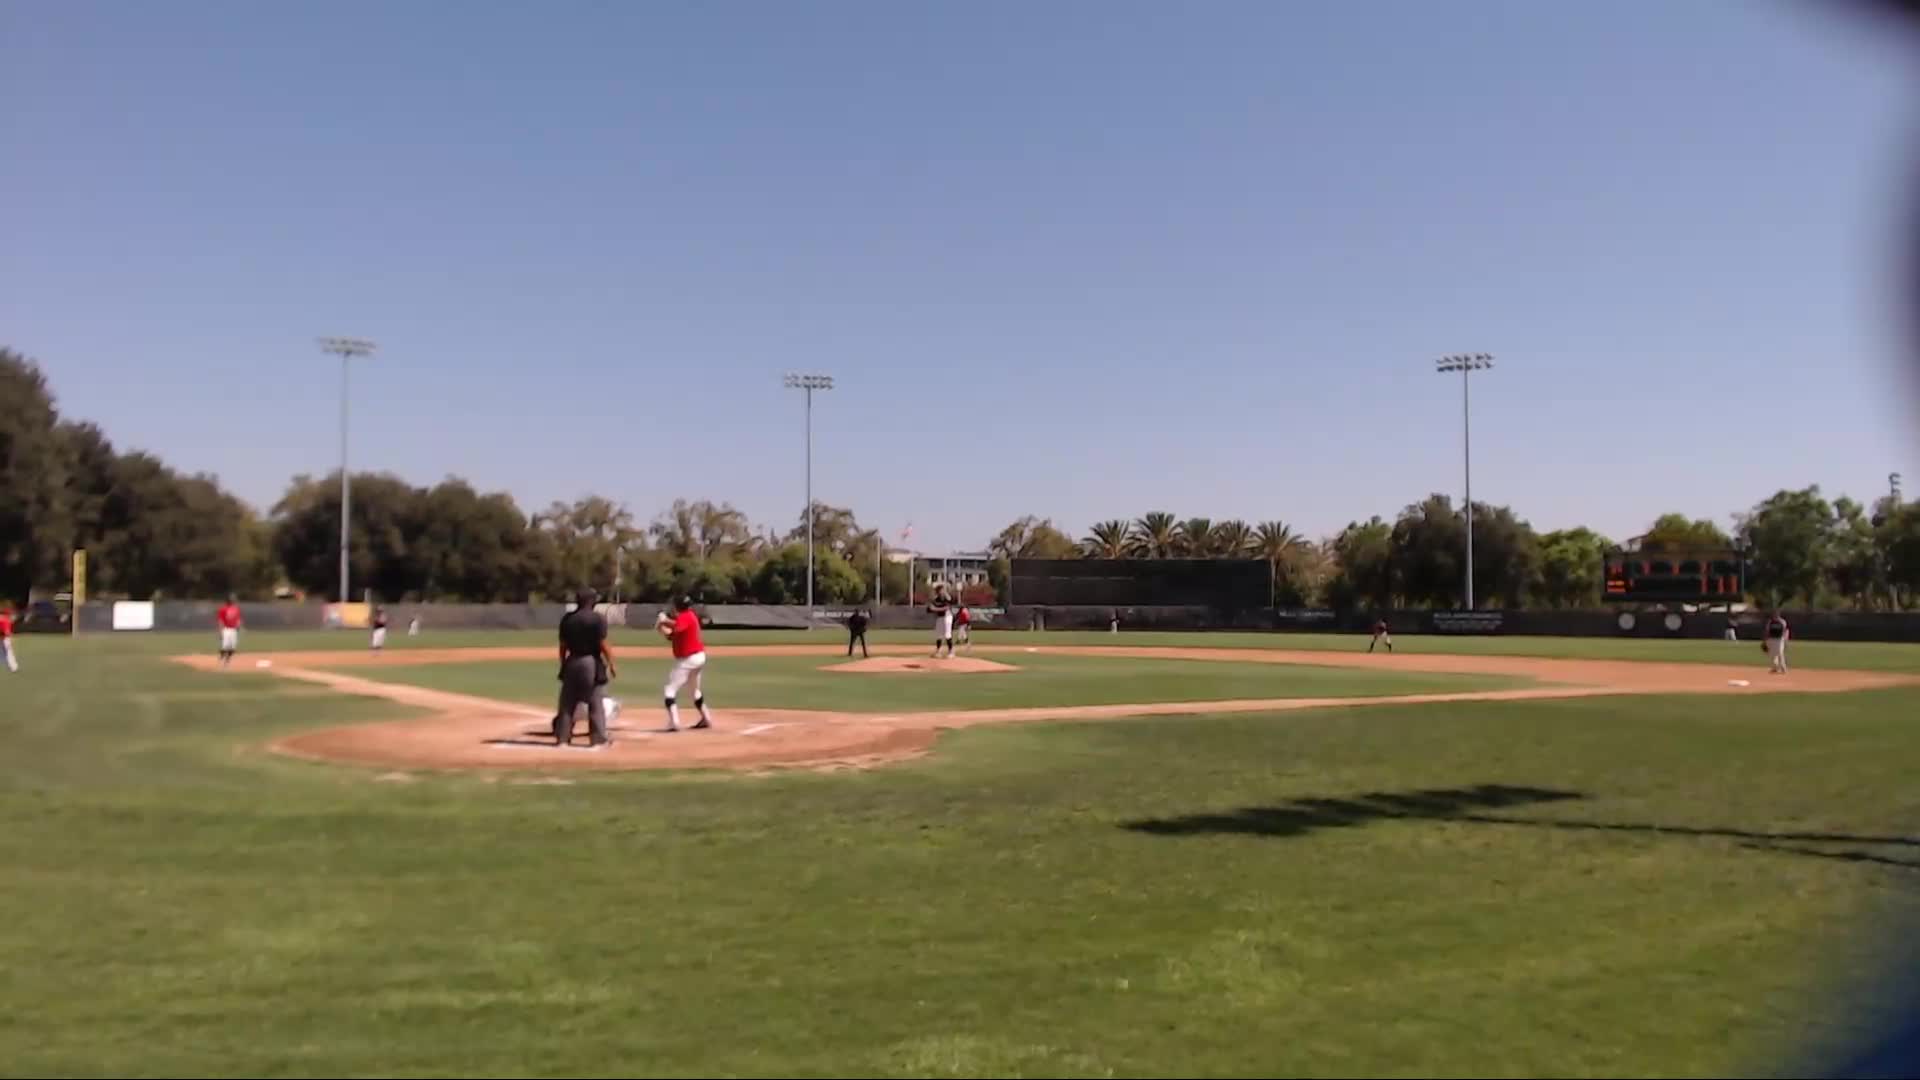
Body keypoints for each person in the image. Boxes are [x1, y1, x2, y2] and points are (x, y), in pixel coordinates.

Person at [553, 589, 616, 748]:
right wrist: (611, 663)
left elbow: (563, 646)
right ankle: (598, 739)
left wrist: (563, 664)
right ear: (591, 601)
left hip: (572, 660)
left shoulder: (567, 619)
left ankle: (562, 738)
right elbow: (603, 644)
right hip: (590, 662)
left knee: (567, 703)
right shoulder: (597, 619)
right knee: (595, 701)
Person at [656, 596, 712, 732]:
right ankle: (706, 718)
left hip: (689, 659)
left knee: (669, 690)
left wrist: (664, 620)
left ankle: (674, 722)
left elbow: (676, 626)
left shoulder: (686, 616)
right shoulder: (687, 616)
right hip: (697, 658)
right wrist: (661, 627)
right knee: (694, 691)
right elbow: (672, 635)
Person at [927, 584, 955, 658]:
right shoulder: (936, 599)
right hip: (940, 617)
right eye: (939, 591)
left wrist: (935, 609)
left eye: (942, 590)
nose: (941, 592)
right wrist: (932, 606)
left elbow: (947, 608)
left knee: (947, 634)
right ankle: (938, 651)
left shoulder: (947, 598)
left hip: (947, 616)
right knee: (939, 635)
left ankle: (951, 652)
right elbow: (929, 609)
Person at [216, 595, 243, 668]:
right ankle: (222, 656)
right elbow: (220, 621)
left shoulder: (236, 609)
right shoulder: (223, 609)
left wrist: (239, 625)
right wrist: (220, 631)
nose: (233, 601)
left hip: (234, 630)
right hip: (226, 629)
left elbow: (238, 619)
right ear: (228, 601)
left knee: (233, 647)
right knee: (225, 646)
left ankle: (227, 660)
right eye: (231, 600)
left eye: (233, 600)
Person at [1763, 609, 1790, 675]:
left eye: (1776, 614)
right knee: (1772, 654)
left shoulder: (1782, 622)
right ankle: (1775, 668)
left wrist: (1785, 639)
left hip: (1779, 639)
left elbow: (1785, 630)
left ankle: (1783, 668)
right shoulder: (1771, 622)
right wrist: (1766, 639)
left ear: (1779, 615)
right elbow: (1767, 630)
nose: (1775, 615)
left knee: (1780, 653)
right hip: (1771, 639)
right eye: (1774, 614)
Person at [1, 603, 16, 674]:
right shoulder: (6, 620)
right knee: (8, 652)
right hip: (5, 638)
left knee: (7, 652)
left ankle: (13, 666)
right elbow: (7, 631)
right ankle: (13, 667)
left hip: (4, 637)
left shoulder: (4, 619)